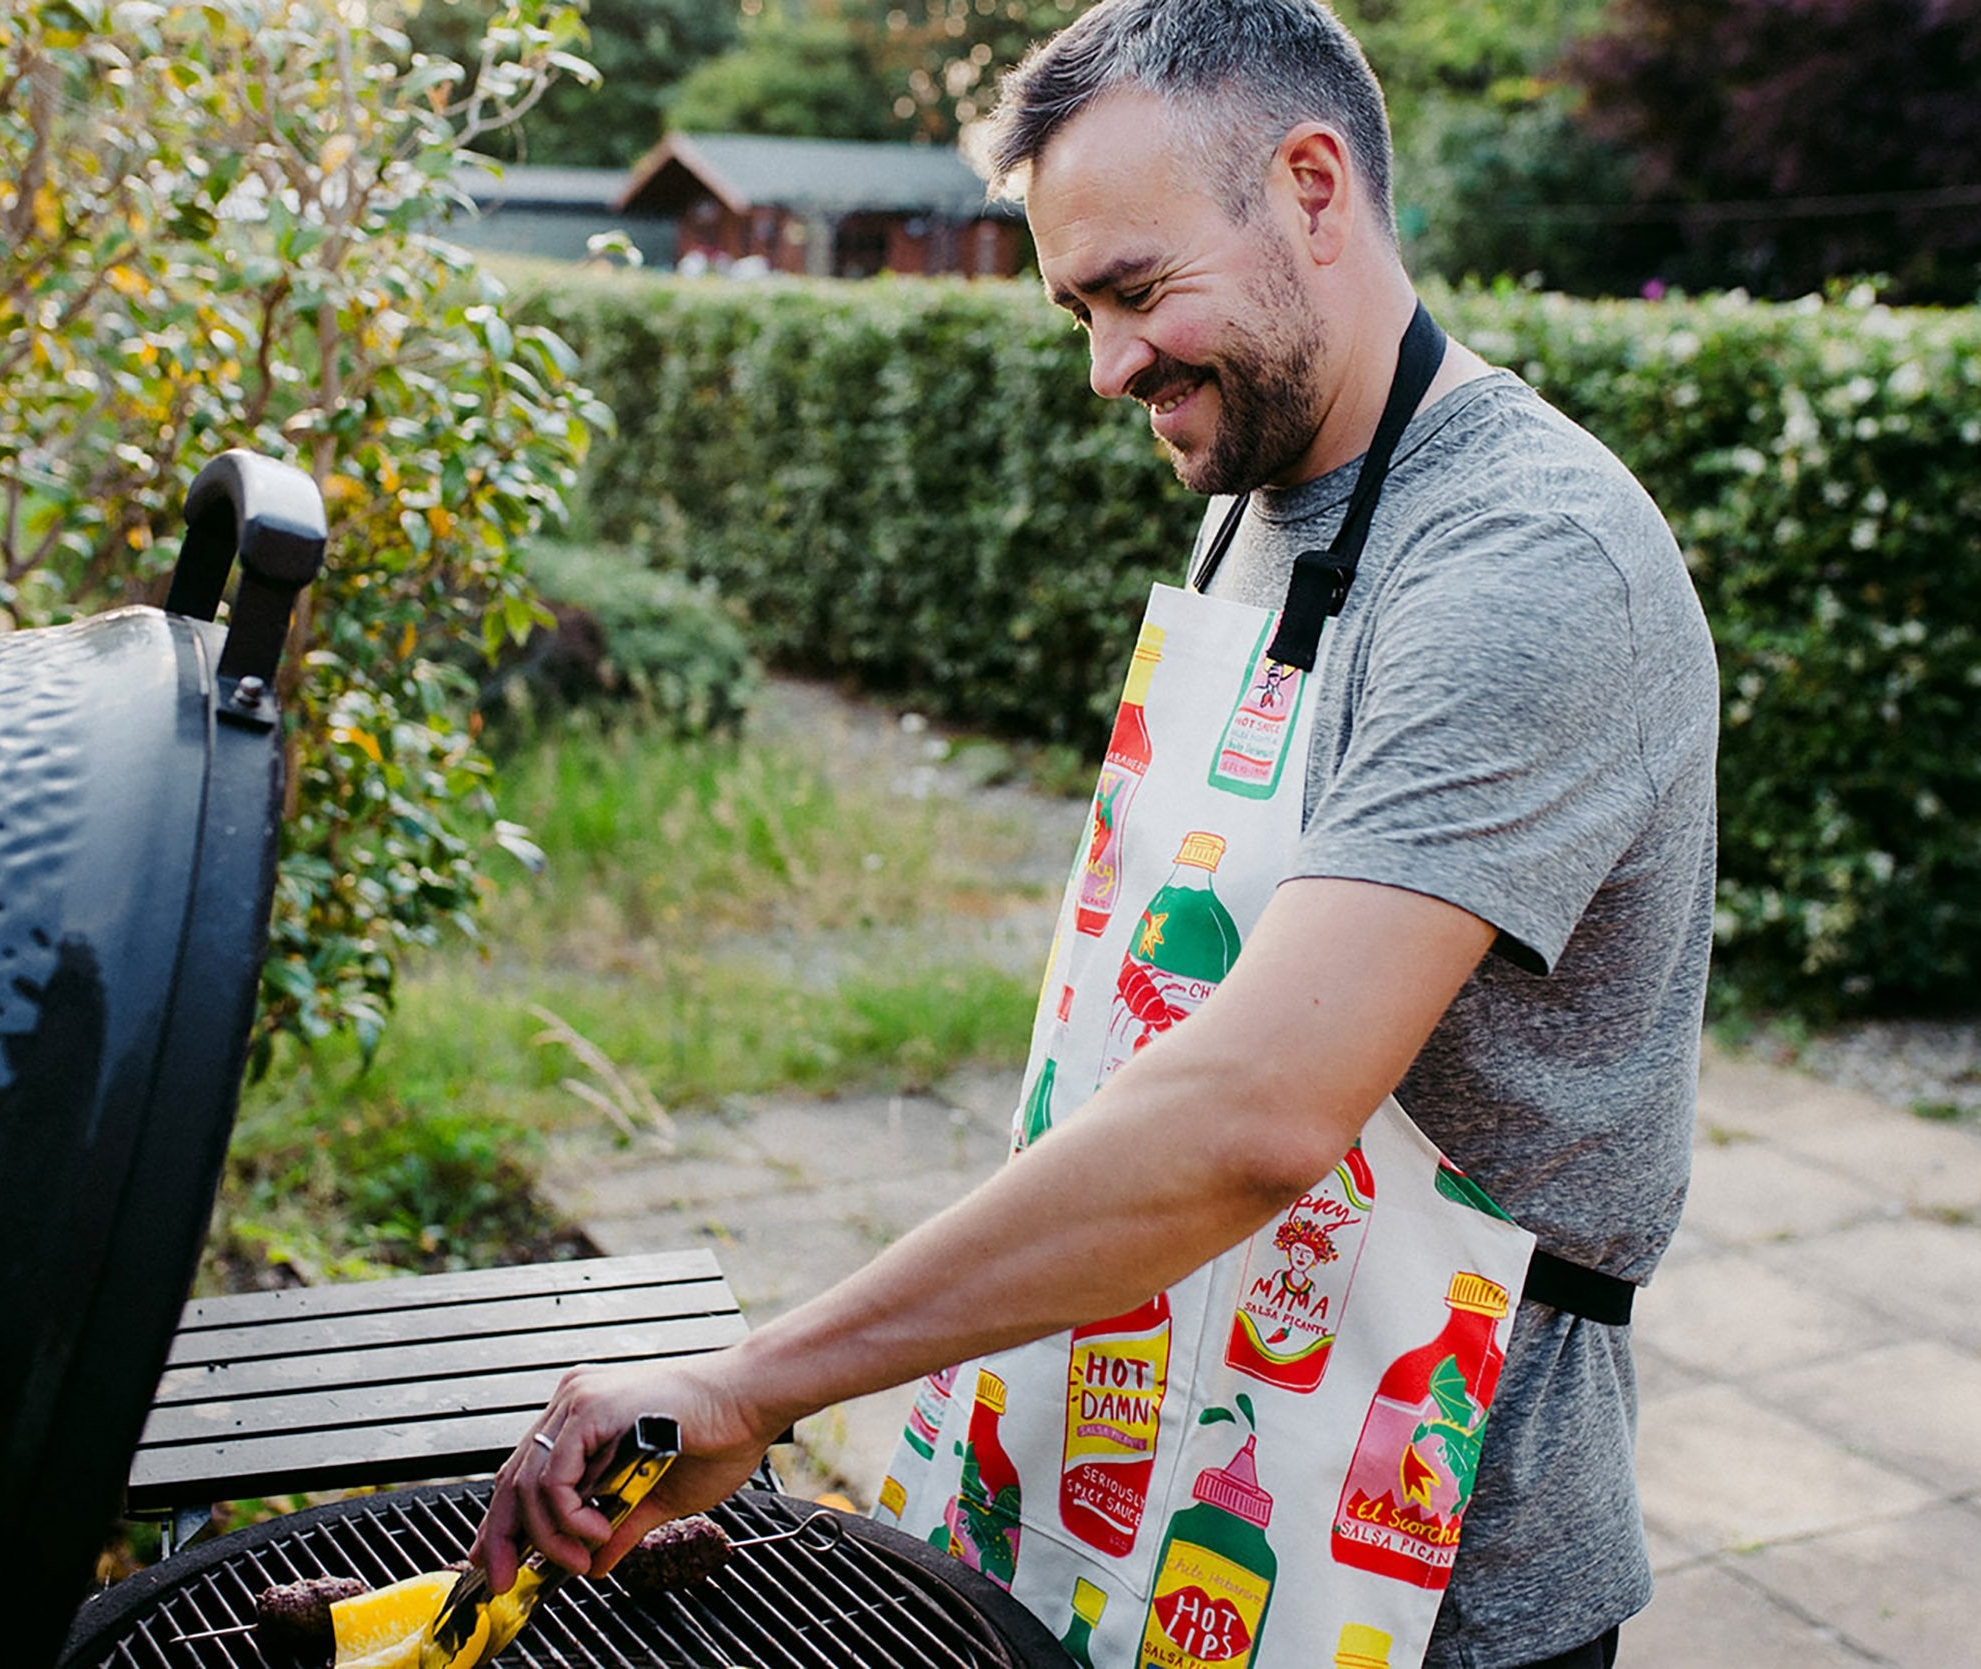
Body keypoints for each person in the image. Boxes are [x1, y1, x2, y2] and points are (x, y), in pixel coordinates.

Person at [468, 4, 1717, 1666]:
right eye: (1078, 308)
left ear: (1311, 185)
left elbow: (1257, 1107)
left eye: (1135, 292)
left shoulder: (1527, 565)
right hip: (1116, 1450)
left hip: (1421, 1572)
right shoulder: (1255, 509)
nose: (1104, 366)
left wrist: (753, 1378)